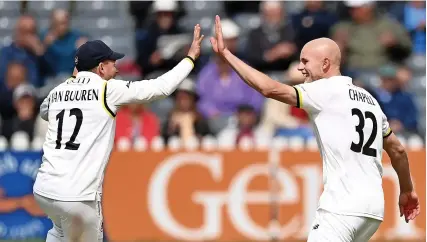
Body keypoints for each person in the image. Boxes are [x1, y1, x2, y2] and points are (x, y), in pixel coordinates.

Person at [210, 15, 420, 241]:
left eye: (305, 61)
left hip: (342, 206)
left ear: (325, 64)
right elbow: (397, 150)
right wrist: (407, 191)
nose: (300, 68)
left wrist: (227, 55)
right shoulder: (369, 99)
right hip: (372, 209)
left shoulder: (325, 91)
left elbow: (268, 89)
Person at [32, 24, 204, 241]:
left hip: (44, 190)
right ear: (101, 67)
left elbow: (44, 111)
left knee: (59, 233)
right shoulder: (107, 90)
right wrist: (189, 58)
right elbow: (161, 88)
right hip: (78, 196)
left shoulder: (58, 90)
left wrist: (74, 88)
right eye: (113, 63)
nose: (117, 69)